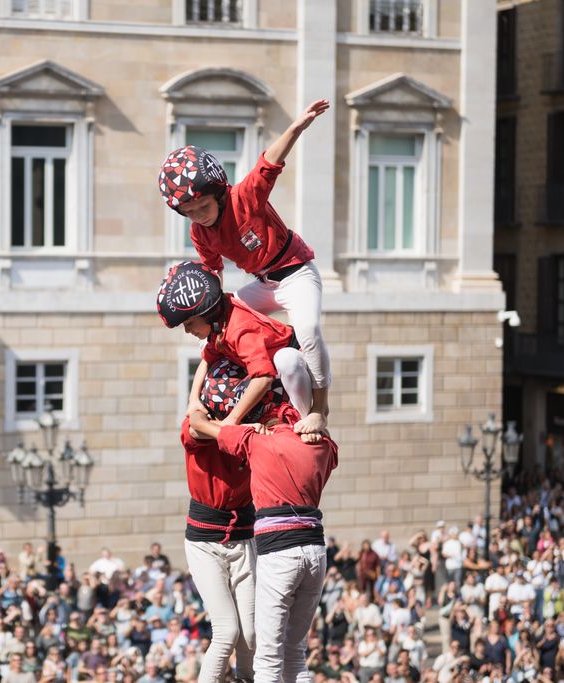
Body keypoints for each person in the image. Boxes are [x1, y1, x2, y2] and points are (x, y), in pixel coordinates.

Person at [157, 99, 332, 434]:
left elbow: (270, 162)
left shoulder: (245, 198)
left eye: (203, 207)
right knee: (212, 331)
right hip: (265, 283)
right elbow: (212, 279)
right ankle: (220, 396)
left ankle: (319, 410)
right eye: (190, 212)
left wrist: (297, 127)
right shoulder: (200, 232)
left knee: (308, 330)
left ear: (219, 193)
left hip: (296, 273)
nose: (199, 217)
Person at [190, 373, 338, 683]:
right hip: (314, 549)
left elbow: (199, 423)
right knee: (294, 653)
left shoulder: (258, 443)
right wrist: (316, 421)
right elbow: (327, 443)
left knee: (267, 657)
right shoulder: (322, 445)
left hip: (279, 550)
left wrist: (235, 421)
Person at [176, 363, 264, 683]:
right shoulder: (198, 426)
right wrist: (235, 428)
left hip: (243, 537)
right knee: (226, 631)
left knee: (252, 634)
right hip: (205, 542)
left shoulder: (253, 428)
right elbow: (196, 425)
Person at [157, 260, 312, 432]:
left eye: (190, 323)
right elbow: (206, 361)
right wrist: (193, 400)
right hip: (270, 371)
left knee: (287, 360)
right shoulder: (220, 325)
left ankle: (301, 420)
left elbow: (263, 377)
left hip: (293, 368)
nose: (187, 331)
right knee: (216, 374)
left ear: (208, 313)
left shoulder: (240, 329)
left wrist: (231, 420)